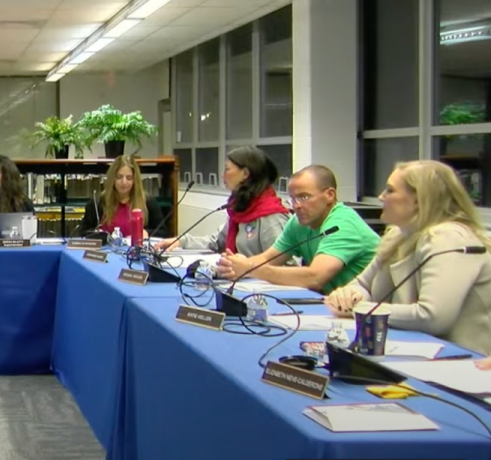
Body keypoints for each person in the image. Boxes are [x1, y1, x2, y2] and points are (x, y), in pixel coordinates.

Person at [325, 161, 491, 356]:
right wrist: (349, 296)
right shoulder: (398, 235)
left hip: (462, 362)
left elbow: (432, 317)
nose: (381, 197)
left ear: (419, 200)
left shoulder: (449, 237)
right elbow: (362, 284)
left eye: (390, 190)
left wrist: (359, 308)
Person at [216, 165, 379, 294]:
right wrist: (235, 265)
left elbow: (315, 277)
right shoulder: (298, 222)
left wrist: (250, 269)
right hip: (334, 303)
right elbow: (269, 257)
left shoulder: (342, 224)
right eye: (293, 198)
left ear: (329, 195)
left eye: (304, 197)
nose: (297, 205)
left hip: (372, 308)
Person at [157, 146, 290, 257]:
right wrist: (181, 241)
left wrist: (247, 268)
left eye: (227, 169)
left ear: (245, 174)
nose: (222, 175)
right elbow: (218, 242)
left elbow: (286, 266)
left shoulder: (271, 215)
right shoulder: (241, 207)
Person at [75, 156, 164, 238]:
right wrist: (96, 234)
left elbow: (164, 233)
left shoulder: (148, 202)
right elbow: (82, 232)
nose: (124, 182)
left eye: (129, 178)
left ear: (135, 181)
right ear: (112, 178)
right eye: (119, 177)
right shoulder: (97, 203)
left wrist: (147, 233)